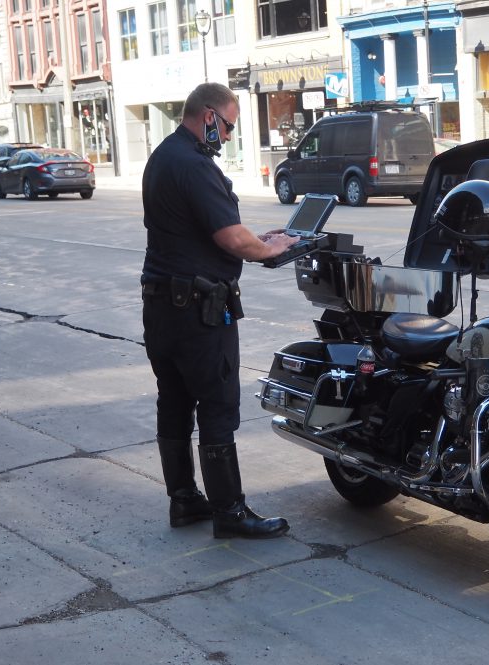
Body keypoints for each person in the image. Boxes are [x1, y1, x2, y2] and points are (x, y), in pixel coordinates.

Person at [141, 82, 297, 539]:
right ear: (209, 115)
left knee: (173, 401)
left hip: (161, 307)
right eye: (228, 125)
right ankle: (230, 511)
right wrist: (271, 249)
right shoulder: (194, 164)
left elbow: (201, 231)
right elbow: (231, 240)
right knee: (216, 404)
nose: (228, 136)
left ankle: (185, 500)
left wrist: (258, 239)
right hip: (198, 313)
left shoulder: (163, 156)